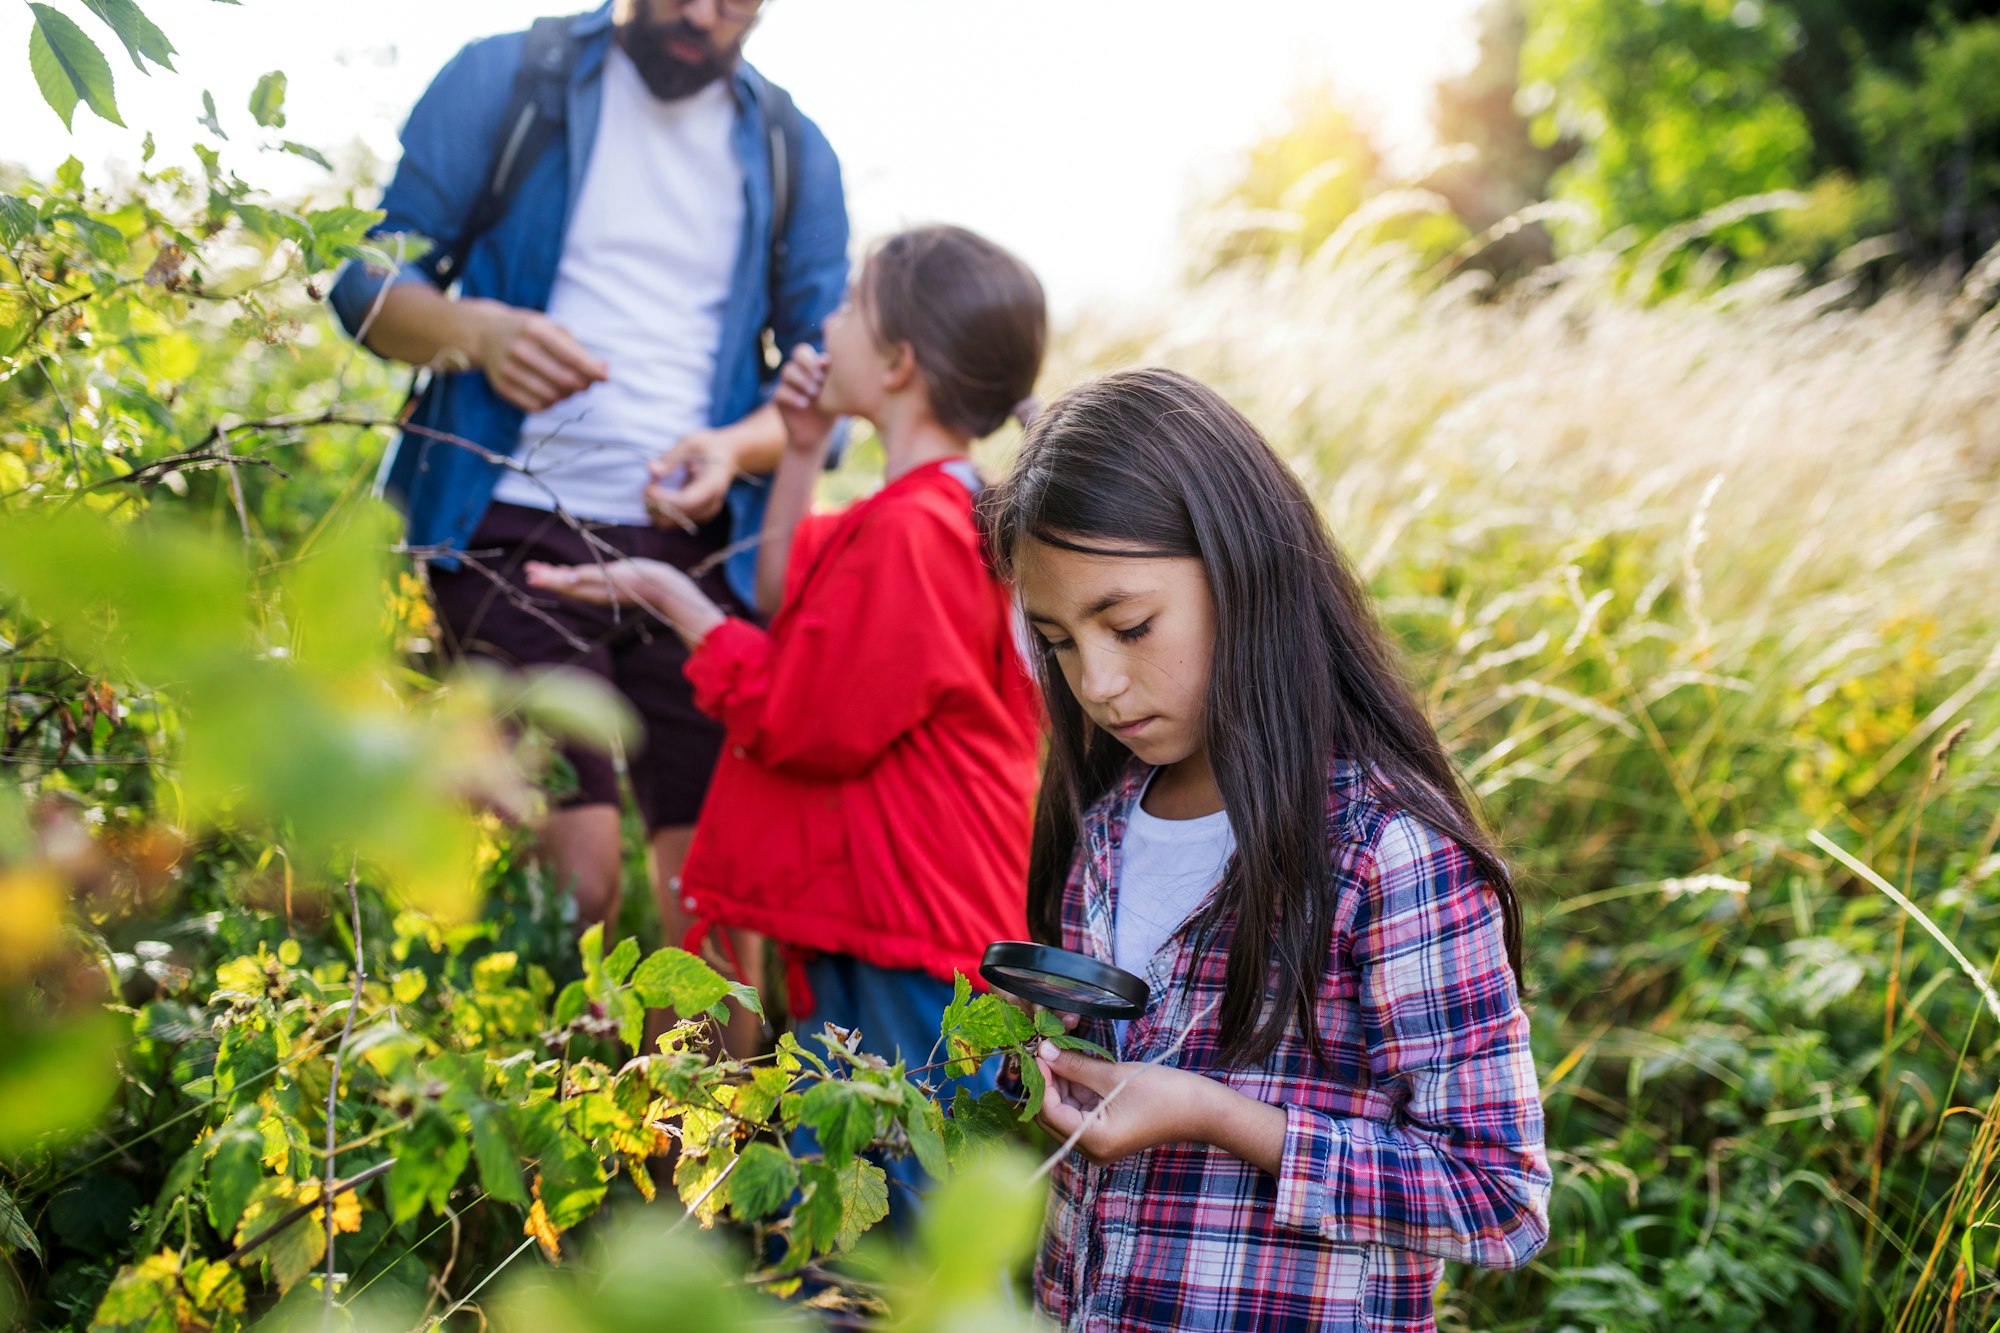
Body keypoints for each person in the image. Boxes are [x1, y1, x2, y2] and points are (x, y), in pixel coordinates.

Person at [978, 368, 1550, 1331]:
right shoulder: (1107, 822)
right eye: (1058, 641)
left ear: (1243, 566)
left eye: (1128, 625)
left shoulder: (1385, 852)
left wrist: (1216, 1115)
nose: (1100, 683)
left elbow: (1496, 1197)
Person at [523, 225, 1045, 1215]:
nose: (825, 323)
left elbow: (802, 717)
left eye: (849, 305)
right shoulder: (934, 509)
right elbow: (787, 600)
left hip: (907, 936)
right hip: (890, 919)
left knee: (883, 1216)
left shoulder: (915, 532)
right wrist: (800, 450)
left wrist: (677, 604)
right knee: (857, 1195)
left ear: (896, 364)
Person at [326, 1, 850, 974]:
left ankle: (701, 1127)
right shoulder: (506, 78)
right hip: (513, 529)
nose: (700, 15)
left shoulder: (790, 148)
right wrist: (477, 332)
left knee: (718, 907)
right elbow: (365, 285)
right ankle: (552, 1104)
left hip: (699, 557)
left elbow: (833, 385)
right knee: (582, 881)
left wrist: (734, 451)